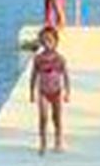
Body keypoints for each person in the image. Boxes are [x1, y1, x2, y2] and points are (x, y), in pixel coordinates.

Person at [29, 25, 70, 154]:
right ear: (41, 42)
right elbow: (33, 76)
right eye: (44, 41)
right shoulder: (38, 59)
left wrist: (67, 93)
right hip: (43, 92)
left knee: (56, 117)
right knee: (43, 117)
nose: (47, 44)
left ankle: (58, 141)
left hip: (56, 92)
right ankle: (43, 142)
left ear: (56, 42)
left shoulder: (60, 59)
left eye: (50, 41)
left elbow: (66, 76)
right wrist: (31, 92)